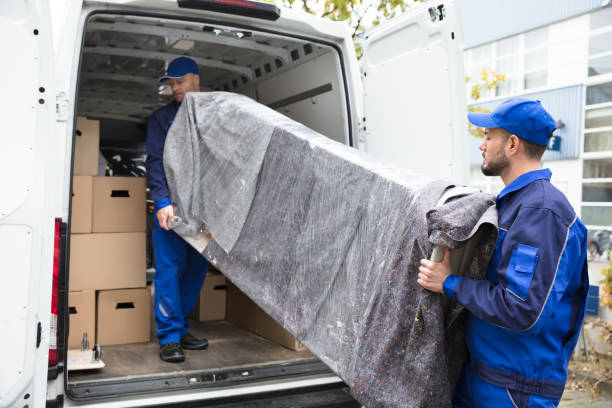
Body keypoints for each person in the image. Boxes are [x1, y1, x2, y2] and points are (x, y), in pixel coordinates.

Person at [417, 98, 589, 407]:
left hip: (514, 389)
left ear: (512, 144)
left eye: (488, 136)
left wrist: (449, 283)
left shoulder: (542, 213)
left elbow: (522, 311)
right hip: (482, 376)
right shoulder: (512, 203)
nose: (482, 146)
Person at [146, 56, 209, 363]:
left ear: (196, 79)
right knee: (170, 270)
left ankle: (181, 328)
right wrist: (161, 201)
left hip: (203, 212)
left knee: (196, 270)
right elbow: (155, 161)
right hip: (171, 208)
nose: (174, 89)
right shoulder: (161, 119)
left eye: (179, 82)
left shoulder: (214, 116)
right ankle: (169, 337)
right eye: (171, 84)